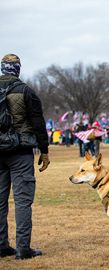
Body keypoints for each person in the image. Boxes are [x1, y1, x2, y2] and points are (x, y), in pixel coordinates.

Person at [0, 54, 50, 259]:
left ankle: (2, 245)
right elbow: (38, 123)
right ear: (18, 69)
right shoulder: (26, 91)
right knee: (22, 202)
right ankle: (23, 248)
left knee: (0, 202)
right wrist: (44, 151)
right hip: (20, 152)